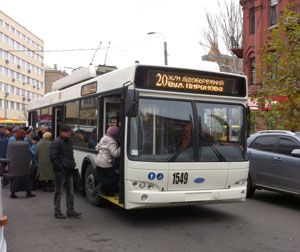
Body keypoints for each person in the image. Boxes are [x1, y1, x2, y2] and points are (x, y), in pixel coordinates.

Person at [50, 124, 81, 219]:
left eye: (69, 131)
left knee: (70, 191)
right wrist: (60, 167)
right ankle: (57, 211)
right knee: (59, 192)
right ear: (61, 132)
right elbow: (53, 157)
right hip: (61, 171)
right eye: (67, 131)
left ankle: (70, 211)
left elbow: (70, 155)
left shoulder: (68, 141)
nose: (69, 133)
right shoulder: (57, 142)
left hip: (69, 170)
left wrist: (72, 164)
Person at [9, 129, 36, 199]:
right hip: (24, 164)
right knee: (26, 178)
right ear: (24, 135)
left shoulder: (11, 144)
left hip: (14, 164)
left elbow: (8, 154)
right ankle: (28, 192)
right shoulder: (26, 144)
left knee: (14, 179)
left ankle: (13, 193)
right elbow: (30, 153)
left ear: (16, 135)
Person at [95, 126, 120, 196]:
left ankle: (101, 188)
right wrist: (121, 148)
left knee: (103, 177)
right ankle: (103, 190)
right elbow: (115, 154)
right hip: (106, 163)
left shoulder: (103, 138)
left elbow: (96, 148)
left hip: (98, 161)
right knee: (112, 178)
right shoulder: (112, 141)